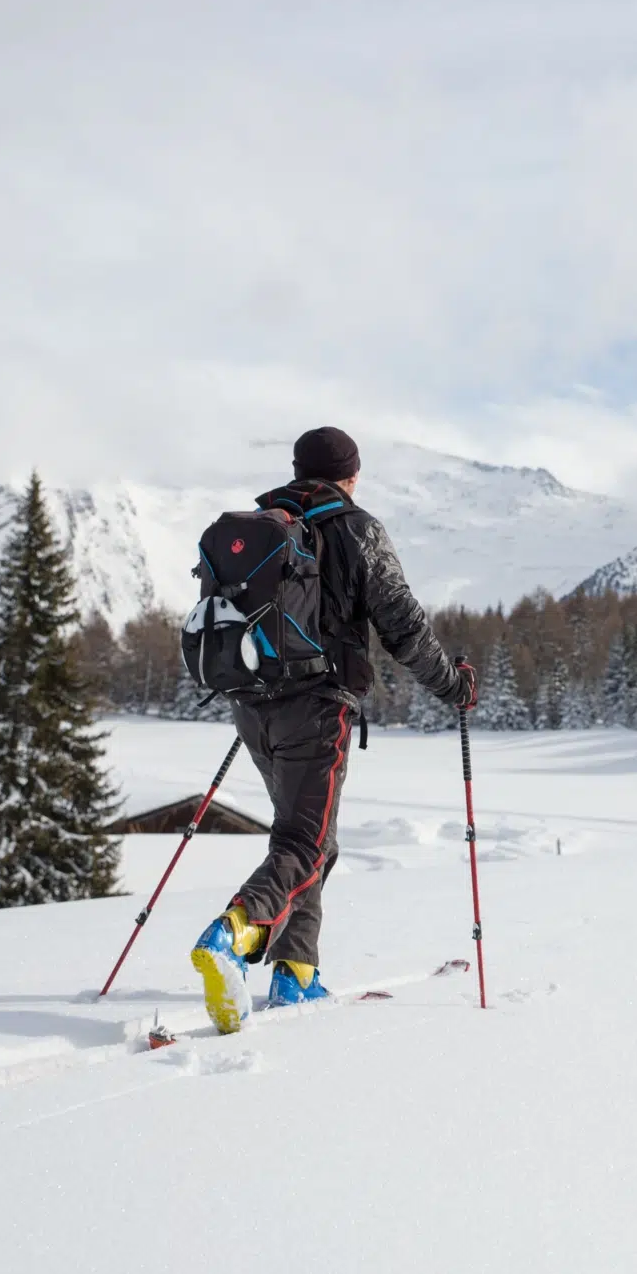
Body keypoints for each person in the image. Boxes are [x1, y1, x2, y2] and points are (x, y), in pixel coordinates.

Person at [190, 426, 476, 1034]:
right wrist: (454, 684)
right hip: (317, 710)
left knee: (311, 836)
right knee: (305, 844)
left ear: (297, 470)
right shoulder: (356, 528)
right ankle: (233, 934)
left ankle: (295, 973)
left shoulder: (263, 525)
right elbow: (404, 630)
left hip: (252, 705)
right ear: (350, 475)